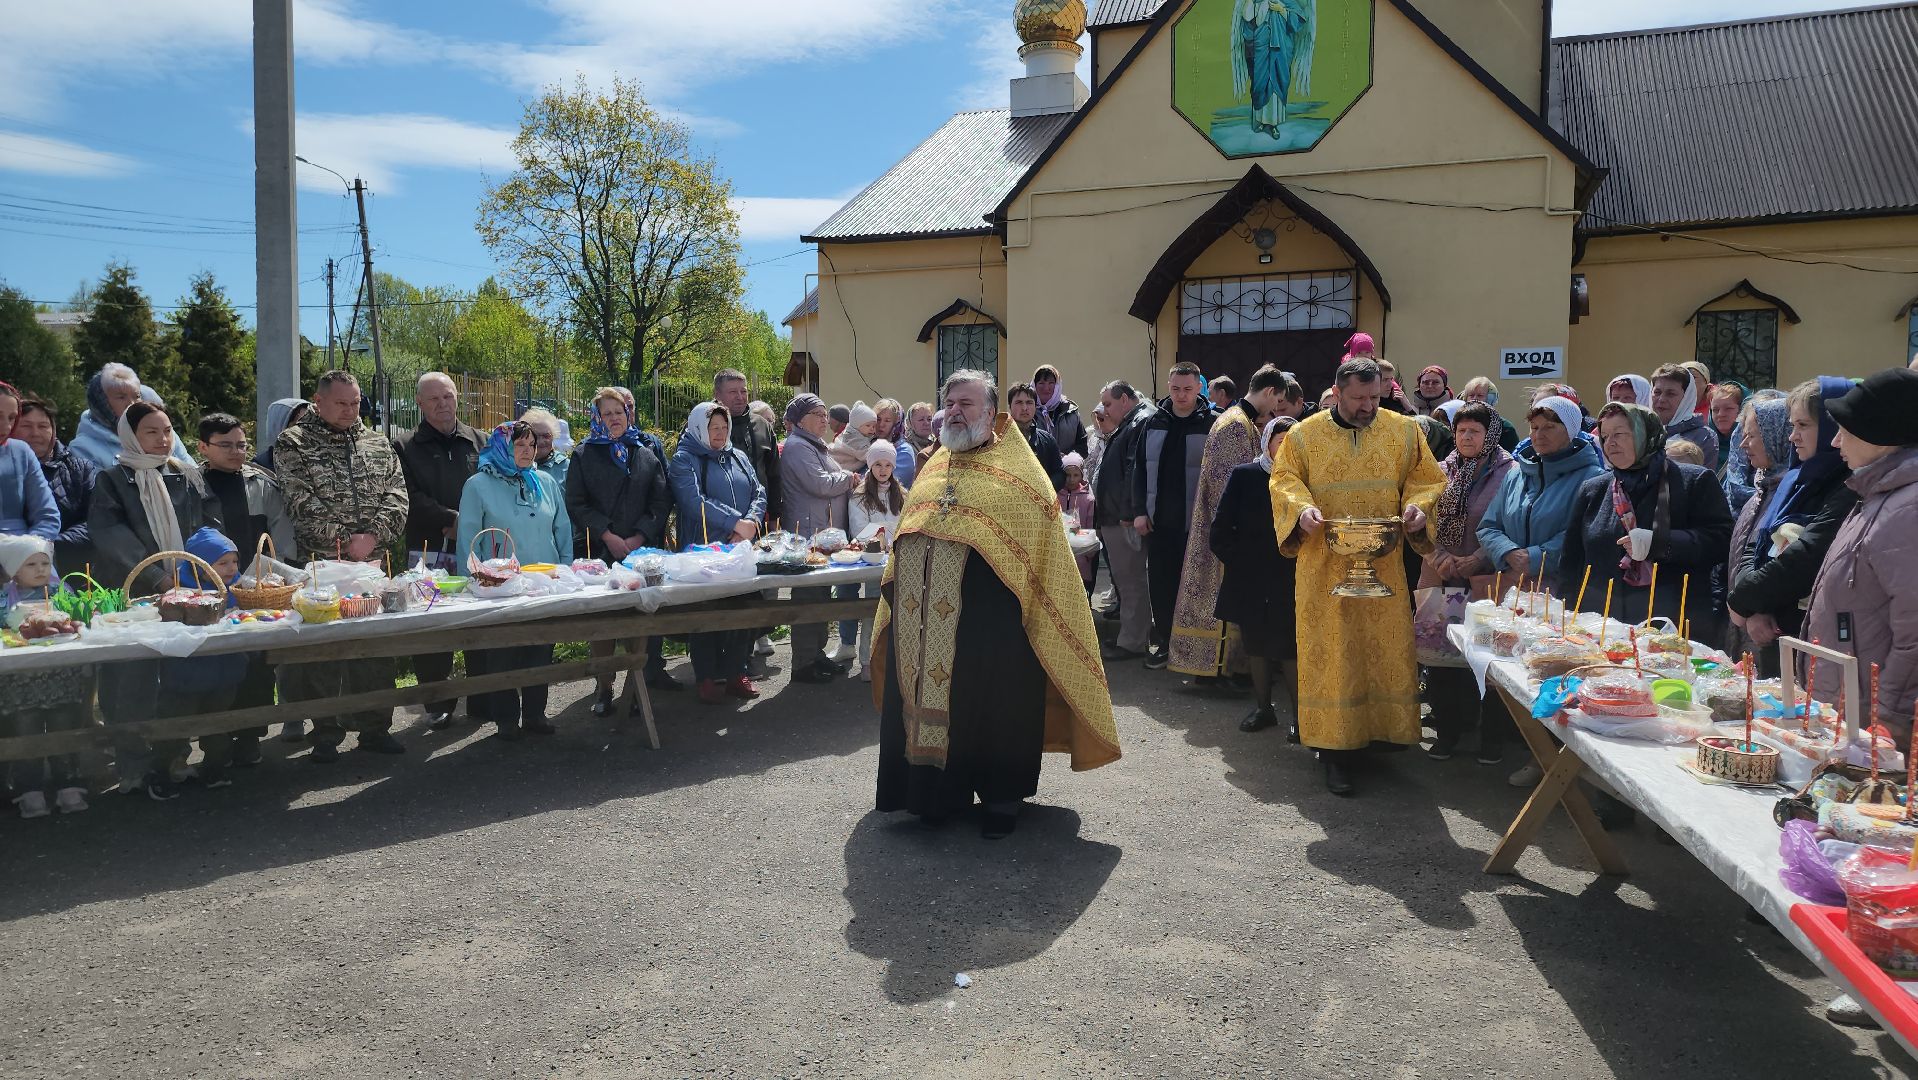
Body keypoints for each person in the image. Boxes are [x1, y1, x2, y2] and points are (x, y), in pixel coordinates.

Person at [870, 368, 1120, 838]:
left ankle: (1002, 797)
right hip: (923, 621)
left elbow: (1039, 546)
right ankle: (936, 795)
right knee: (932, 700)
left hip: (994, 623)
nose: (955, 411)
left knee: (996, 704)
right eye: (950, 403)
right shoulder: (936, 465)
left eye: (966, 403)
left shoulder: (1020, 471)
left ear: (990, 411)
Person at [1269, 358, 1446, 796]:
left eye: (1374, 397)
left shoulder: (1404, 431)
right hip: (1324, 567)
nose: (1368, 406)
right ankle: (1334, 751)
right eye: (1358, 399)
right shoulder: (1304, 435)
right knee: (1334, 655)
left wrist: (1419, 508)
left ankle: (1380, 736)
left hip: (1383, 565)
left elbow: (1428, 480)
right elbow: (1284, 481)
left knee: (1381, 647)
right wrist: (1300, 509)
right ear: (1338, 391)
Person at [90, 400, 224, 798]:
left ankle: (173, 758)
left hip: (189, 593)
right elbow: (112, 537)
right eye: (151, 431)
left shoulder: (188, 477)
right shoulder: (112, 481)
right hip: (136, 598)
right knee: (132, 680)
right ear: (130, 435)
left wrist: (193, 573)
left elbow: (210, 527)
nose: (163, 439)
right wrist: (157, 577)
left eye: (167, 431)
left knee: (177, 682)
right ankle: (133, 766)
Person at [275, 371, 410, 762]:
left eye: (355, 403)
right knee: (325, 653)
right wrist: (345, 540)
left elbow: (397, 495)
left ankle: (375, 728)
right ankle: (325, 733)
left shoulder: (376, 442)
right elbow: (299, 501)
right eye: (341, 403)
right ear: (318, 401)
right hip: (321, 566)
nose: (351, 410)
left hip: (372, 563)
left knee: (375, 648)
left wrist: (374, 535)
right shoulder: (294, 443)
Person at [1558, 401, 1734, 648]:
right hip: (1602, 628)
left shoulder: (1694, 482)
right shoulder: (1594, 490)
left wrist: (1659, 543)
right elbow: (1571, 561)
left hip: (1671, 627)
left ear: (1645, 435)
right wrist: (1567, 619)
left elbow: (1720, 540)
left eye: (1619, 434)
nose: (1610, 443)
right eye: (1605, 436)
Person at [1805, 368, 1918, 739]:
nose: (1835, 442)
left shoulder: (1908, 507)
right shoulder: (1878, 494)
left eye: (1847, 431)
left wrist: (1887, 722)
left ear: (1882, 437)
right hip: (1846, 706)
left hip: (1871, 727)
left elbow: (1914, 632)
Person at [1169, 365, 1290, 682]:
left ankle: (1229, 667)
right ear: (1268, 393)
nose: (1275, 410)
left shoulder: (1242, 422)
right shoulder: (1235, 426)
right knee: (1220, 597)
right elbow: (1227, 488)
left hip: (1230, 529)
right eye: (1276, 401)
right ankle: (1217, 669)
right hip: (1227, 533)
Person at [1725, 381, 1855, 676]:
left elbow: (1805, 557)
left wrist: (1744, 601)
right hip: (1770, 630)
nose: (1792, 436)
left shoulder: (1847, 486)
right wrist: (1752, 606)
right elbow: (1755, 545)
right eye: (1791, 425)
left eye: (1803, 425)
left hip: (1808, 638)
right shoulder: (1793, 481)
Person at [457, 421, 572, 738]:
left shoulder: (544, 482)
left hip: (545, 582)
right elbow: (468, 536)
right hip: (500, 586)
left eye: (531, 445)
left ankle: (535, 714)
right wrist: (473, 580)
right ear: (502, 448)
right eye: (519, 445)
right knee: (503, 651)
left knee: (540, 648)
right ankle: (506, 719)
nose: (527, 451)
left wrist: (566, 569)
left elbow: (562, 528)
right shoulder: (478, 485)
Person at [196, 412, 296, 763]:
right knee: (214, 666)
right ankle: (214, 741)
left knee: (256, 663)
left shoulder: (261, 484)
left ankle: (251, 735)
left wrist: (274, 577)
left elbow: (279, 536)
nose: (236, 452)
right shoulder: (191, 485)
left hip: (254, 588)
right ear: (203, 447)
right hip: (205, 587)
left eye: (241, 444)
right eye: (225, 445)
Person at [1419, 402, 1515, 761]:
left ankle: (1490, 738)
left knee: (1488, 658)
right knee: (1442, 657)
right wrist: (1439, 556)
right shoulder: (1442, 470)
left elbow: (1511, 524)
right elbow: (1425, 518)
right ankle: (1447, 731)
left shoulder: (1510, 473)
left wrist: (1478, 558)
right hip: (1441, 574)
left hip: (1488, 578)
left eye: (1475, 430)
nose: (1466, 437)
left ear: (1490, 434)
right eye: (1460, 431)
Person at [567, 388, 672, 713]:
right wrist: (607, 534)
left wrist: (640, 535)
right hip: (601, 553)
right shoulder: (585, 454)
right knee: (604, 626)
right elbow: (576, 502)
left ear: (629, 414)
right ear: (597, 417)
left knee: (640, 621)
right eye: (606, 413)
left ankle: (635, 689)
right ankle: (604, 688)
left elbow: (660, 499)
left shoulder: (644, 452)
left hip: (641, 554)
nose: (614, 418)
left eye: (619, 411)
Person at [390, 372, 483, 730]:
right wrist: (449, 518)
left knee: (480, 620)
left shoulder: (478, 440)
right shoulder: (403, 446)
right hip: (427, 550)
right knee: (431, 625)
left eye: (448, 397)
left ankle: (483, 696)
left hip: (474, 548)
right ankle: (436, 702)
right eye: (434, 399)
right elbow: (406, 495)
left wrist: (469, 523)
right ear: (419, 403)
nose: (443, 404)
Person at [1210, 417, 1300, 736]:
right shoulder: (1245, 476)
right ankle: (1263, 708)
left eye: (1293, 441)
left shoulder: (1305, 480)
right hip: (1250, 578)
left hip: (1290, 578)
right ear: (1267, 442)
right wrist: (1241, 563)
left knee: (1290, 647)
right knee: (1257, 646)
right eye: (1280, 441)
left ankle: (1301, 721)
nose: (1285, 447)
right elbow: (1220, 531)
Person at [1133, 362, 1218, 669]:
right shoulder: (1153, 421)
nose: (1181, 395)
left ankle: (1198, 651)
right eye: (1175, 389)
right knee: (1162, 586)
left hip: (1198, 525)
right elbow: (1139, 469)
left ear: (1199, 388)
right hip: (1161, 523)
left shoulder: (1213, 423)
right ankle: (1167, 644)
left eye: (1187, 389)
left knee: (1198, 587)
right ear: (1168, 388)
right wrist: (1140, 511)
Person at [0, 535, 92, 817]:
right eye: (31, 564)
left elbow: (80, 619)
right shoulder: (4, 597)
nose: (40, 569)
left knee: (63, 724)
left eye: (45, 562)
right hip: (20, 681)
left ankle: (68, 783)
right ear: (14, 568)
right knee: (25, 729)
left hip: (61, 676)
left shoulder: (62, 591)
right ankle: (29, 788)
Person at [159, 526, 253, 789]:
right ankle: (167, 769)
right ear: (199, 565)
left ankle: (215, 766)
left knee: (218, 720)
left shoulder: (239, 588)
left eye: (234, 561)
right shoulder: (179, 592)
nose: (231, 568)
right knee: (177, 723)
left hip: (227, 669)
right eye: (222, 563)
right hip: (186, 673)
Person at [1477, 396, 1605, 588]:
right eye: (1534, 428)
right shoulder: (1515, 474)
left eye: (1549, 427)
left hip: (1563, 591)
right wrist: (1509, 552)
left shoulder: (1593, 479)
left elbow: (1585, 534)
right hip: (1511, 587)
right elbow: (1488, 526)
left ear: (1570, 431)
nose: (1539, 435)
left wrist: (1535, 558)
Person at [780, 393, 859, 683]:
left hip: (821, 537)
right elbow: (819, 484)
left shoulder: (816, 446)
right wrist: (849, 478)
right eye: (817, 414)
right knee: (808, 601)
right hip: (807, 536)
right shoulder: (798, 447)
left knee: (821, 598)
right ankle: (803, 663)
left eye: (826, 414)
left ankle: (816, 655)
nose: (825, 419)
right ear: (801, 420)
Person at [1724, 397, 1793, 663]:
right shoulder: (1762, 488)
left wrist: (1755, 605)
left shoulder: (1790, 493)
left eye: (1752, 435)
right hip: (1743, 616)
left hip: (1768, 630)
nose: (1743, 445)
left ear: (1778, 436)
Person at [1095, 380, 1155, 661]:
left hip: (1123, 518)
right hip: (1119, 514)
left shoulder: (1138, 422)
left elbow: (1134, 469)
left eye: (1108, 404)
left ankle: (1132, 641)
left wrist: (1129, 514)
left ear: (1125, 400)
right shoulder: (1131, 423)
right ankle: (1133, 637)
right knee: (1127, 580)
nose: (1105, 411)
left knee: (1130, 581)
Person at [14, 397, 96, 574]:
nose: (35, 433)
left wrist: (50, 544)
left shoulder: (80, 470)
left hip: (72, 571)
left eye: (43, 426)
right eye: (26, 426)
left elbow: (95, 521)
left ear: (53, 431)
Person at [847, 441, 904, 682]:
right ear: (870, 466)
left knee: (898, 614)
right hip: (874, 562)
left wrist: (896, 535)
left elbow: (906, 520)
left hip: (897, 561)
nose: (883, 470)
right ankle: (867, 661)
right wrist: (885, 535)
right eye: (878, 464)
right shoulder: (860, 497)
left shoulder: (901, 494)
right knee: (872, 612)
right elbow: (860, 530)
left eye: (888, 465)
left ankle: (895, 662)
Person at [69, 364, 192, 470]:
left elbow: (193, 473)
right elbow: (100, 495)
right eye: (121, 397)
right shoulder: (83, 448)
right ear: (102, 404)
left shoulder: (163, 431)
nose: (132, 404)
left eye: (137, 396)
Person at [718, 369, 782, 527]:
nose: (740, 397)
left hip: (757, 517)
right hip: (717, 520)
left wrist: (774, 516)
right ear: (717, 394)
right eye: (733, 392)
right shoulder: (702, 425)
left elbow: (774, 473)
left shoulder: (762, 426)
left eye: (743, 391)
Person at [0, 384, 60, 543]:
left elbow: (47, 515)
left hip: (26, 553)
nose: (6, 426)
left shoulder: (21, 452)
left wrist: (28, 549)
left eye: (12, 418)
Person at [1649, 363, 1719, 464]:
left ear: (1686, 398)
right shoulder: (1641, 432)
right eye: (1657, 392)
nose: (1661, 399)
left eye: (1671, 394)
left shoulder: (1704, 438)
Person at [1006, 382, 1066, 490]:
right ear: (1010, 406)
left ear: (1035, 406)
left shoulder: (1047, 440)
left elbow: (1059, 473)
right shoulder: (998, 439)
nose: (1024, 408)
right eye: (1019, 402)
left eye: (1029, 402)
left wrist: (1044, 490)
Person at [1058, 452, 1096, 600]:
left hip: (1081, 554)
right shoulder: (1055, 494)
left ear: (1082, 475)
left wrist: (1088, 554)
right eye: (1067, 475)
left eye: (1076, 475)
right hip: (1060, 551)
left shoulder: (1088, 498)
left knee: (1080, 591)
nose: (1071, 479)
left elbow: (1089, 524)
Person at [1033, 365, 1089, 459]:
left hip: (1066, 471)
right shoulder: (1028, 411)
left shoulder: (1071, 412)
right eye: (1041, 383)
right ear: (1034, 385)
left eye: (1051, 383)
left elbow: (1082, 446)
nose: (1046, 388)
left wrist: (1066, 458)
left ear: (1057, 386)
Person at [253, 397, 308, 473]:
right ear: (279, 426)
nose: (306, 431)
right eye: (298, 425)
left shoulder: (321, 462)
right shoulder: (259, 469)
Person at [520, 406, 568, 489]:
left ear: (554, 436)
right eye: (535, 436)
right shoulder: (515, 463)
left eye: (546, 436)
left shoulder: (566, 467)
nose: (541, 441)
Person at [1709, 382, 1746, 478]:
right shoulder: (1704, 445)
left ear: (1742, 411)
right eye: (1715, 410)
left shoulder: (1750, 448)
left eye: (1728, 408)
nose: (1721, 414)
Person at [829, 401, 878, 474]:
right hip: (838, 469)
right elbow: (868, 456)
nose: (872, 429)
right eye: (868, 425)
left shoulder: (855, 434)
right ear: (857, 425)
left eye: (874, 426)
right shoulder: (855, 439)